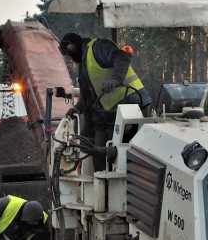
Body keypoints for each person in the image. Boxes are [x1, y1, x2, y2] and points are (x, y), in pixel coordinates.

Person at [59, 32, 152, 170]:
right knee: (98, 154)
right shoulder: (85, 63)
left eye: (69, 54)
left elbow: (121, 56)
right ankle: (104, 189)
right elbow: (89, 96)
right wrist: (78, 108)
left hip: (131, 108)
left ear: (72, 48)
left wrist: (116, 79)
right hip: (109, 115)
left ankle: (126, 185)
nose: (71, 59)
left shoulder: (98, 47)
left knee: (126, 153)